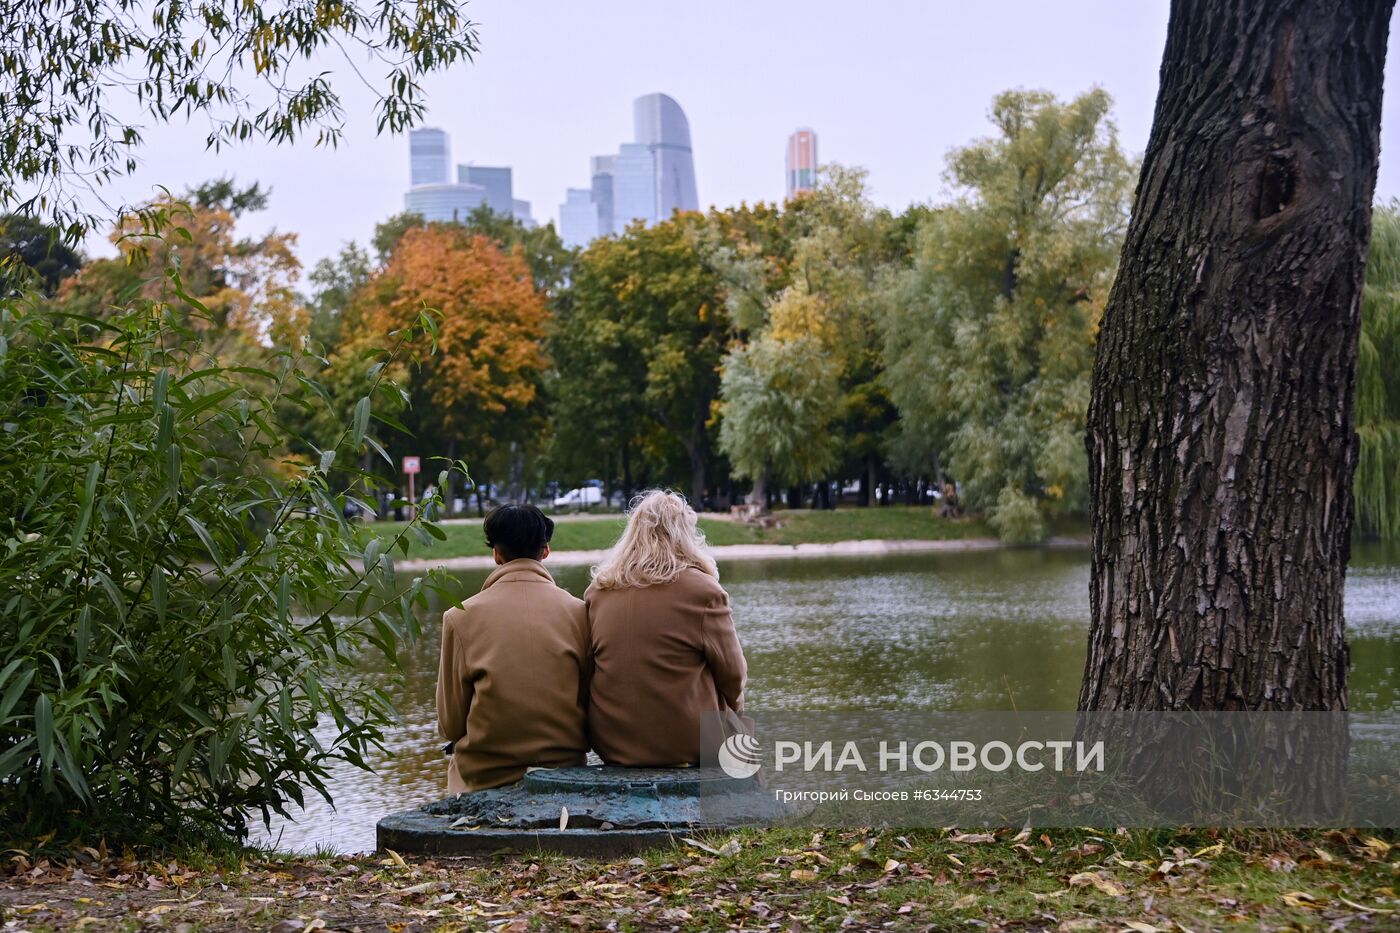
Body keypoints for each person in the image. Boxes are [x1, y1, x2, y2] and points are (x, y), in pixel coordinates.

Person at [584, 489, 748, 766]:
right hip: (687, 740)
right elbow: (733, 676)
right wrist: (734, 714)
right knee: (742, 746)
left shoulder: (598, 591)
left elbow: (589, 670)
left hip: (612, 742)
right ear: (684, 534)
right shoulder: (704, 591)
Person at [436, 504, 590, 792]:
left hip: (484, 776)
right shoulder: (579, 612)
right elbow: (587, 703)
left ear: (497, 554)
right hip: (565, 769)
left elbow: (451, 725)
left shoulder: (459, 617)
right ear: (545, 550)